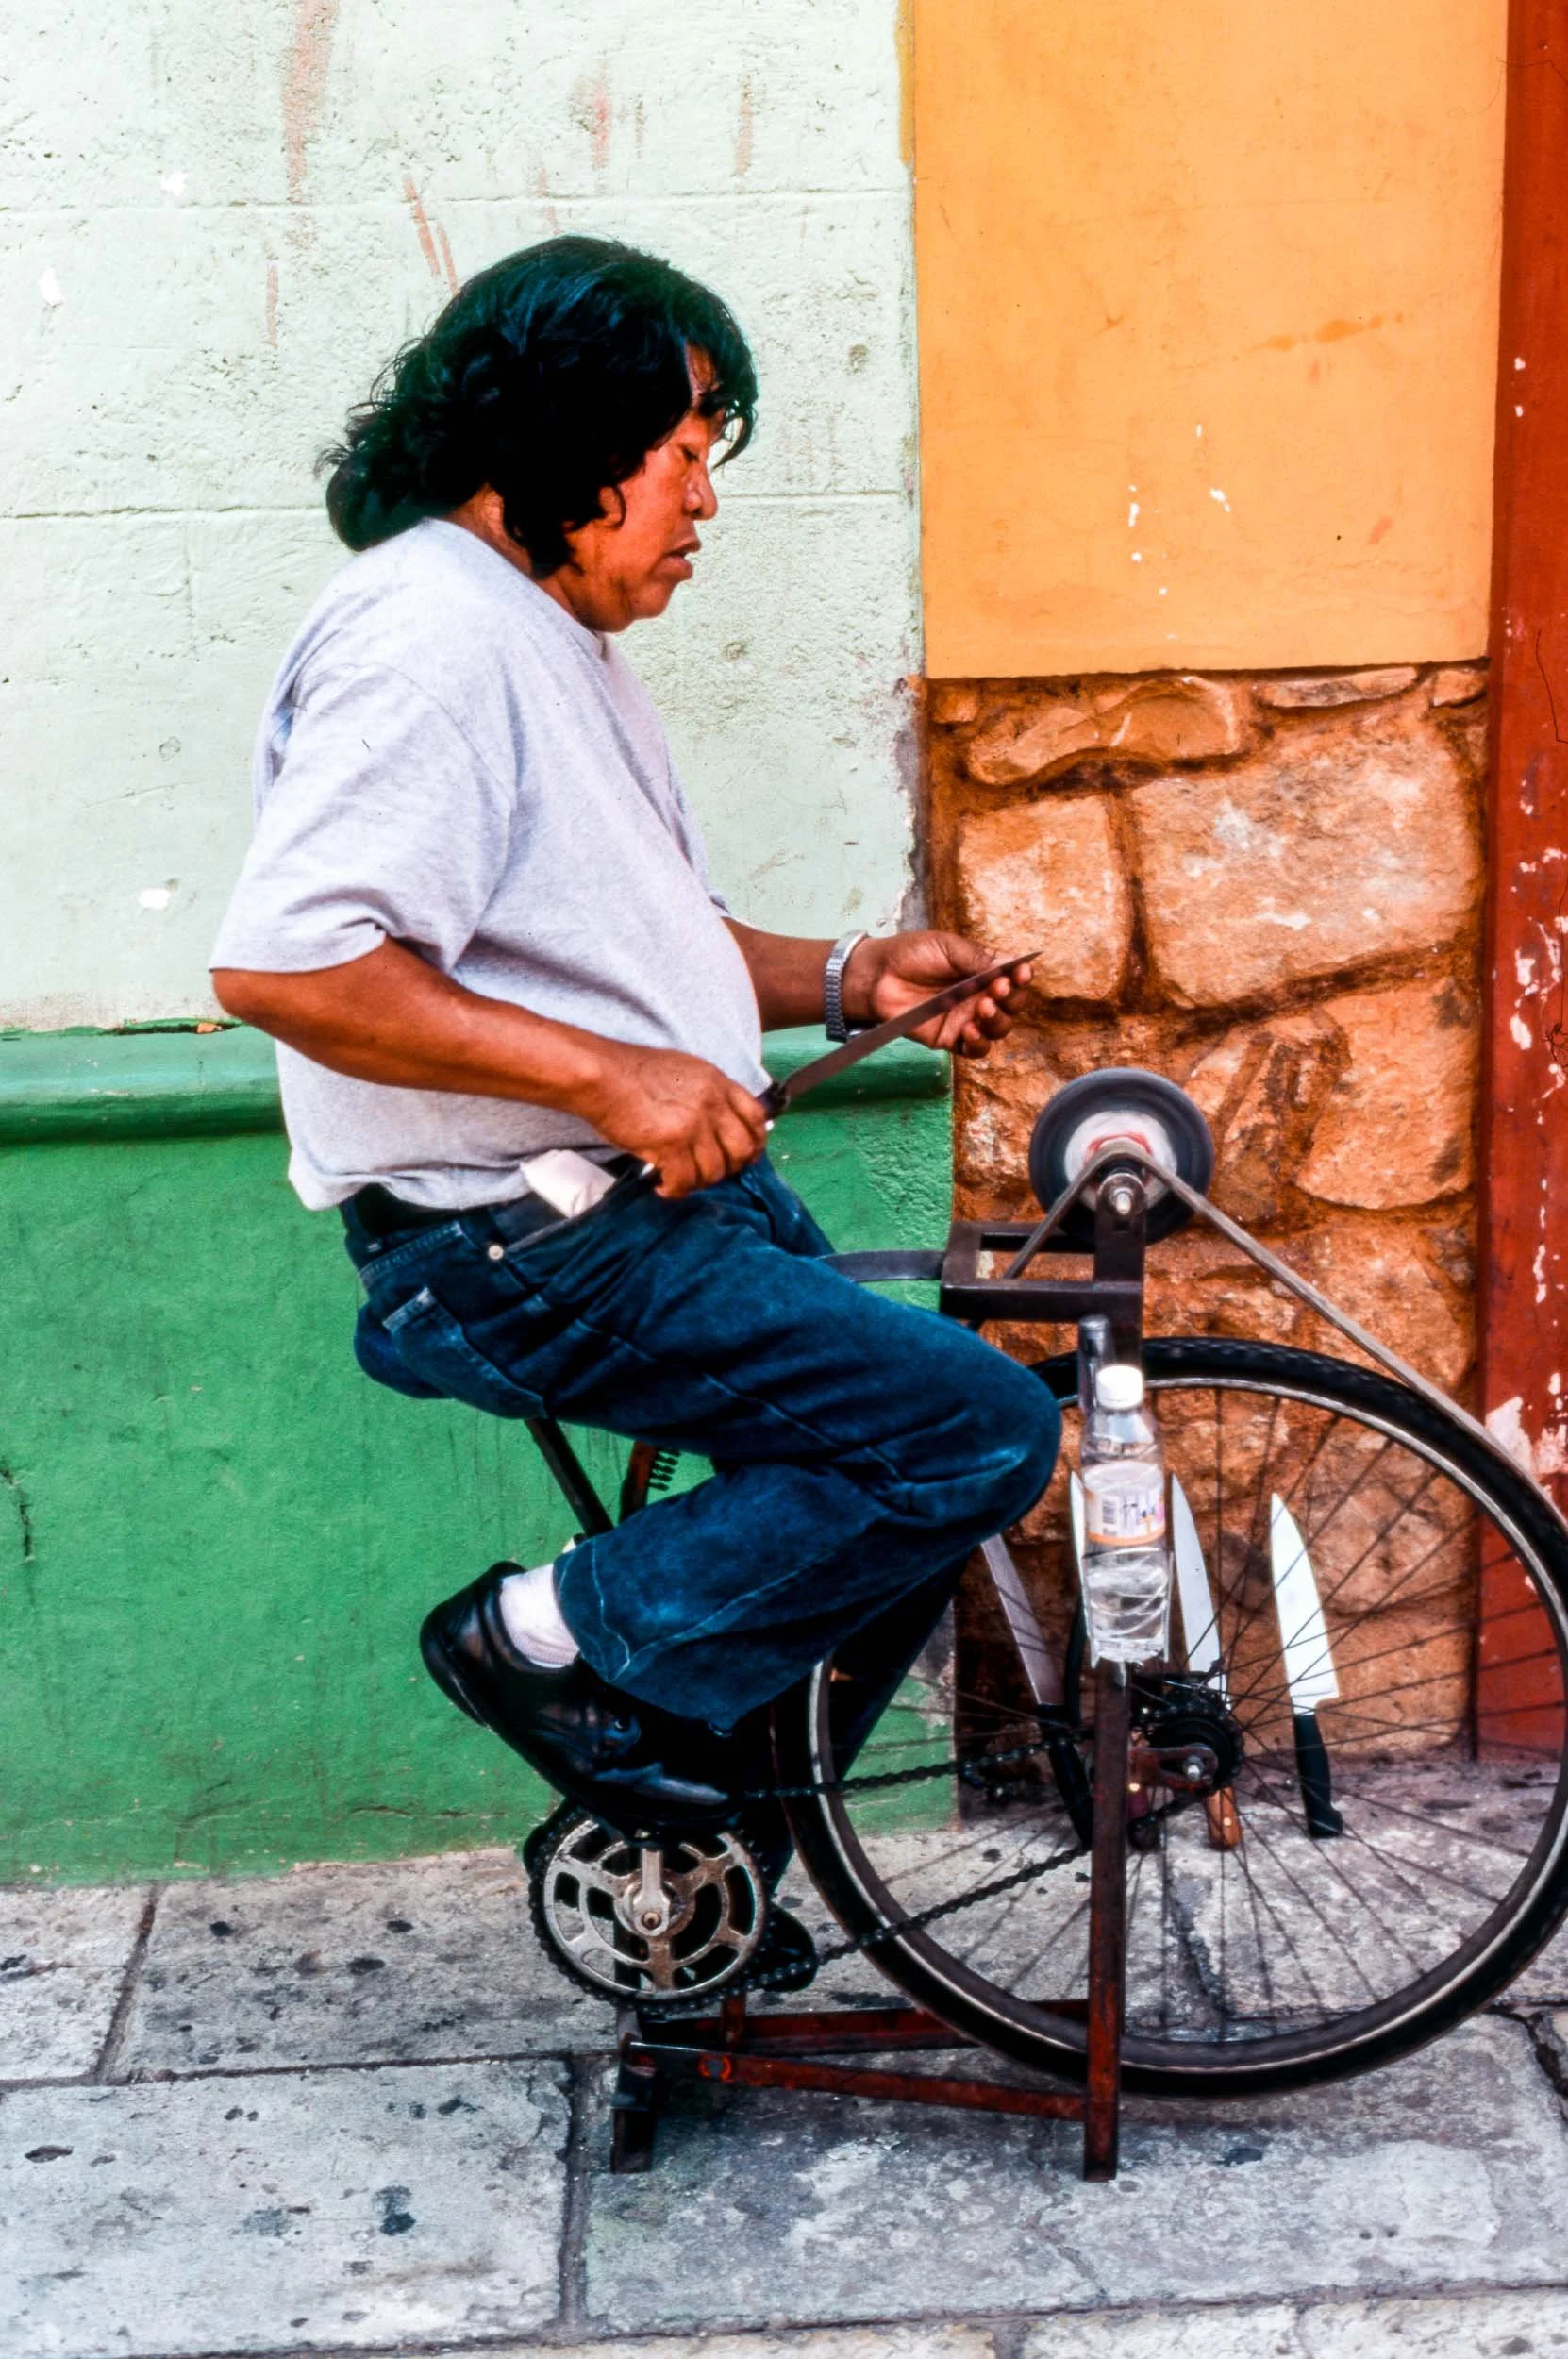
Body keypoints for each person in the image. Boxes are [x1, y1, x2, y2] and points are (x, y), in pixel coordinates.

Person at [210, 237, 1059, 1932]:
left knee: (884, 1454)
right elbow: (292, 969)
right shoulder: (425, 638)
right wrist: (614, 1083)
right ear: (576, 446)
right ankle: (535, 1643)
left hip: (635, 1209)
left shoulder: (537, 635)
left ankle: (688, 1879)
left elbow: (611, 938)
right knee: (971, 1428)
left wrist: (840, 978)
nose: (704, 503)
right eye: (689, 453)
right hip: (524, 1245)